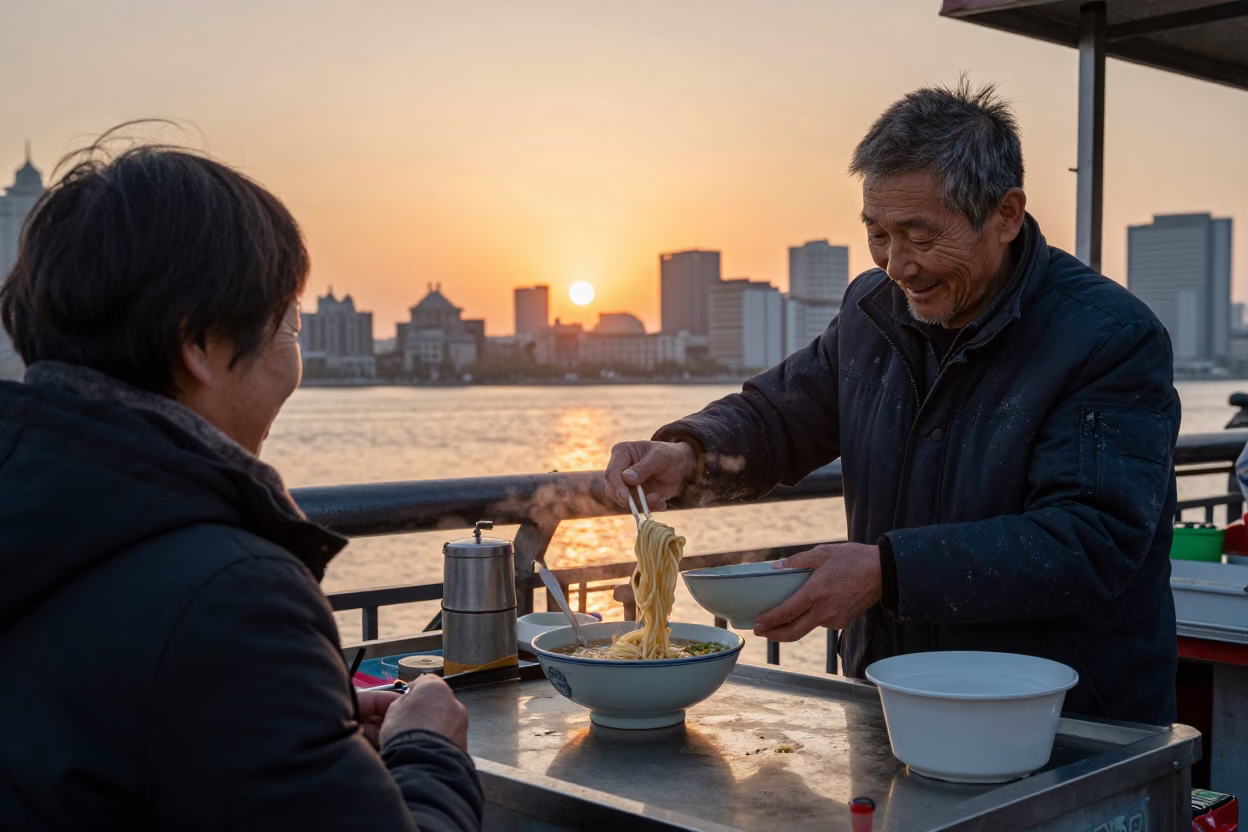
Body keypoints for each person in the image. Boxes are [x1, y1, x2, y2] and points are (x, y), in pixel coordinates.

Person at [606, 80, 1180, 725]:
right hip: (892, 695)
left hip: (1061, 715)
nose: (897, 264)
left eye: (921, 234)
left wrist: (889, 571)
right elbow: (782, 415)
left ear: (1006, 214)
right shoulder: (872, 310)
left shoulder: (1108, 337)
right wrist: (689, 454)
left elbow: (1093, 537)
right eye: (878, 233)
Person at [0, 135, 482, 830]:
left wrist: (309, 726)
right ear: (200, 344)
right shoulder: (230, 595)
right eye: (287, 324)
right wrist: (428, 750)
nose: (295, 359)